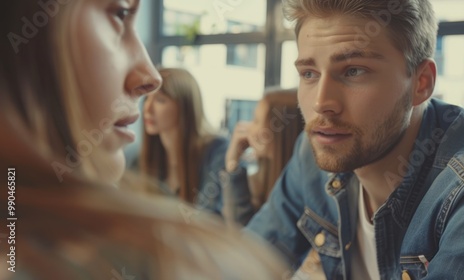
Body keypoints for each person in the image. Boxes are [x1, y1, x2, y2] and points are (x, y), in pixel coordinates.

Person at [0, 1, 288, 279]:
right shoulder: (140, 161)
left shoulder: (212, 152)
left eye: (161, 101)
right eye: (121, 13)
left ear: (185, 107)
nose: (149, 83)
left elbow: (230, 226)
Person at [246, 0, 464, 279]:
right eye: (309, 73)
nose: (321, 103)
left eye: (354, 70)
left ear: (421, 83)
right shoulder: (314, 151)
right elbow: (245, 262)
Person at [139, 67, 228, 215]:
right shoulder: (141, 157)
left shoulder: (216, 150)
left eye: (160, 100)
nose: (147, 109)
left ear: (185, 106)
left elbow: (209, 216)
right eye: (147, 98)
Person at [222, 88, 304, 225]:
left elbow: (241, 236)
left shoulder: (299, 196)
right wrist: (232, 163)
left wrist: (232, 166)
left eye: (256, 121)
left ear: (280, 131)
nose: (247, 128)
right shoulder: (258, 181)